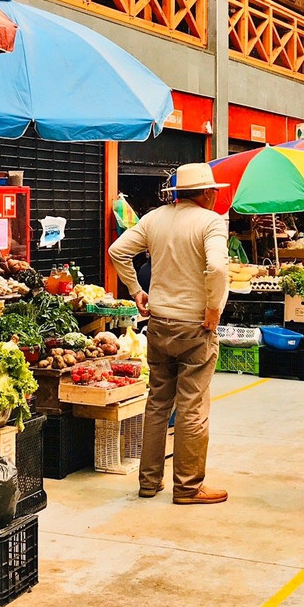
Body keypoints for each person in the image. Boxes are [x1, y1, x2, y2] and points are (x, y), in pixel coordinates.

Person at [108, 162, 230, 505]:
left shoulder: (155, 218)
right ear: (206, 193)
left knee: (158, 403)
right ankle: (189, 487)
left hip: (159, 324)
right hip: (195, 327)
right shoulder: (210, 222)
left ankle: (149, 482)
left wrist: (136, 291)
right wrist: (213, 307)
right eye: (214, 191)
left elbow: (117, 251)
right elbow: (218, 267)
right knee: (192, 407)